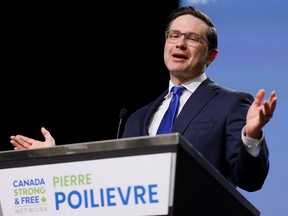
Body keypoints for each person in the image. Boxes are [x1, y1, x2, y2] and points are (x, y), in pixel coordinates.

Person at [10, 6, 277, 192]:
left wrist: (251, 137)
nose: (180, 44)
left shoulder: (231, 104)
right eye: (174, 35)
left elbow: (249, 180)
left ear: (211, 56)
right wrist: (56, 159)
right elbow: (111, 181)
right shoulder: (137, 118)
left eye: (192, 38)